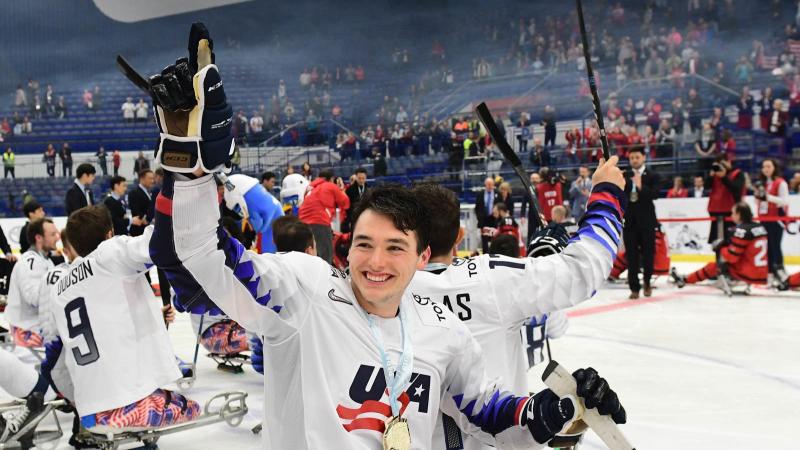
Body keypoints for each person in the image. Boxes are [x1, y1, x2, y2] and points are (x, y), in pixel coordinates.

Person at [151, 175, 626, 449]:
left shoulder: (443, 334)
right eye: (365, 245)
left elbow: (488, 413)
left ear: (423, 257)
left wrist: (553, 410)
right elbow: (198, 261)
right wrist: (186, 168)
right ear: (345, 247)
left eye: (395, 248)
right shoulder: (306, 295)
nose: (376, 263)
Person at [408, 159, 626, 449]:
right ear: (460, 235)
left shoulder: (379, 292)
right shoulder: (491, 279)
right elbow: (584, 272)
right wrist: (606, 191)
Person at [42, 206, 200, 431]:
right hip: (127, 402)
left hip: (88, 409)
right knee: (192, 407)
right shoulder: (108, 253)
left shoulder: (59, 287)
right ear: (109, 235)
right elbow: (159, 243)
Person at [672, 202, 768, 295]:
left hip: (749, 273)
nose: (731, 216)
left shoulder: (741, 231)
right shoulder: (760, 227)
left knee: (714, 266)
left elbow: (732, 257)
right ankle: (687, 278)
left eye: (733, 213)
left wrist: (720, 248)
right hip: (763, 273)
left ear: (739, 214)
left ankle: (685, 279)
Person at [5, 218, 58, 347]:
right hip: (28, 331)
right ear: (38, 238)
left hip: (39, 328)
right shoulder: (29, 263)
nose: (57, 237)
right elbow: (34, 299)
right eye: (52, 235)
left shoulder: (45, 260)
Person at [623, 147, 661, 299]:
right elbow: (620, 195)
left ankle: (647, 283)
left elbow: (655, 194)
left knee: (648, 255)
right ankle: (634, 287)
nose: (634, 160)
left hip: (647, 222)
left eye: (637, 157)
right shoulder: (625, 175)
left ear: (643, 157)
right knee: (631, 256)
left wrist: (640, 186)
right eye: (631, 157)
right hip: (630, 222)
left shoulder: (652, 175)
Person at [298, 170, 350, 264]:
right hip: (319, 221)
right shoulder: (330, 185)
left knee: (308, 254)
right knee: (326, 255)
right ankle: (325, 277)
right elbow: (346, 203)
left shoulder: (310, 187)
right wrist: (341, 189)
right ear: (331, 179)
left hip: (302, 223)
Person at [754, 158, 789, 283]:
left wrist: (768, 197)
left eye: (769, 166)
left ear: (774, 167)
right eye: (764, 167)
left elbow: (785, 201)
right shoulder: (762, 184)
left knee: (775, 246)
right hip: (764, 218)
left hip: (776, 219)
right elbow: (758, 202)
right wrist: (758, 199)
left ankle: (780, 273)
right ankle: (769, 274)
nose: (766, 169)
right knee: (767, 248)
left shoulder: (781, 183)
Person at [707, 154, 745, 244]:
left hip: (732, 211)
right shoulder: (715, 175)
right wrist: (711, 176)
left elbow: (736, 189)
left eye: (722, 164)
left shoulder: (738, 173)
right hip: (716, 210)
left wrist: (724, 177)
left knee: (732, 240)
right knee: (716, 242)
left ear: (729, 162)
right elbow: (706, 187)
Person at [475, 177, 498, 254]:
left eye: (491, 184)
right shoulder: (480, 194)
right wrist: (479, 218)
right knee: (484, 239)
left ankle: (494, 254)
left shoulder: (497, 193)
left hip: (494, 220)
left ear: (493, 185)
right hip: (483, 221)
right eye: (488, 184)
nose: (489, 186)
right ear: (485, 185)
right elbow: (477, 208)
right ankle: (485, 256)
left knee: (494, 238)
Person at [128, 169, 154, 237]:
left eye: (153, 178)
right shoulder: (134, 193)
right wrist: (145, 218)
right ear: (142, 179)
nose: (152, 181)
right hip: (139, 230)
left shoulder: (149, 192)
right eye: (150, 178)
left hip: (148, 229)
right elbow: (135, 211)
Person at [342, 167, 368, 233]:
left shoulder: (369, 190)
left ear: (366, 178)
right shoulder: (349, 190)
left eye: (363, 178)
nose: (361, 180)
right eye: (359, 178)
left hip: (365, 216)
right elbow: (347, 206)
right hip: (353, 217)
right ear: (356, 177)